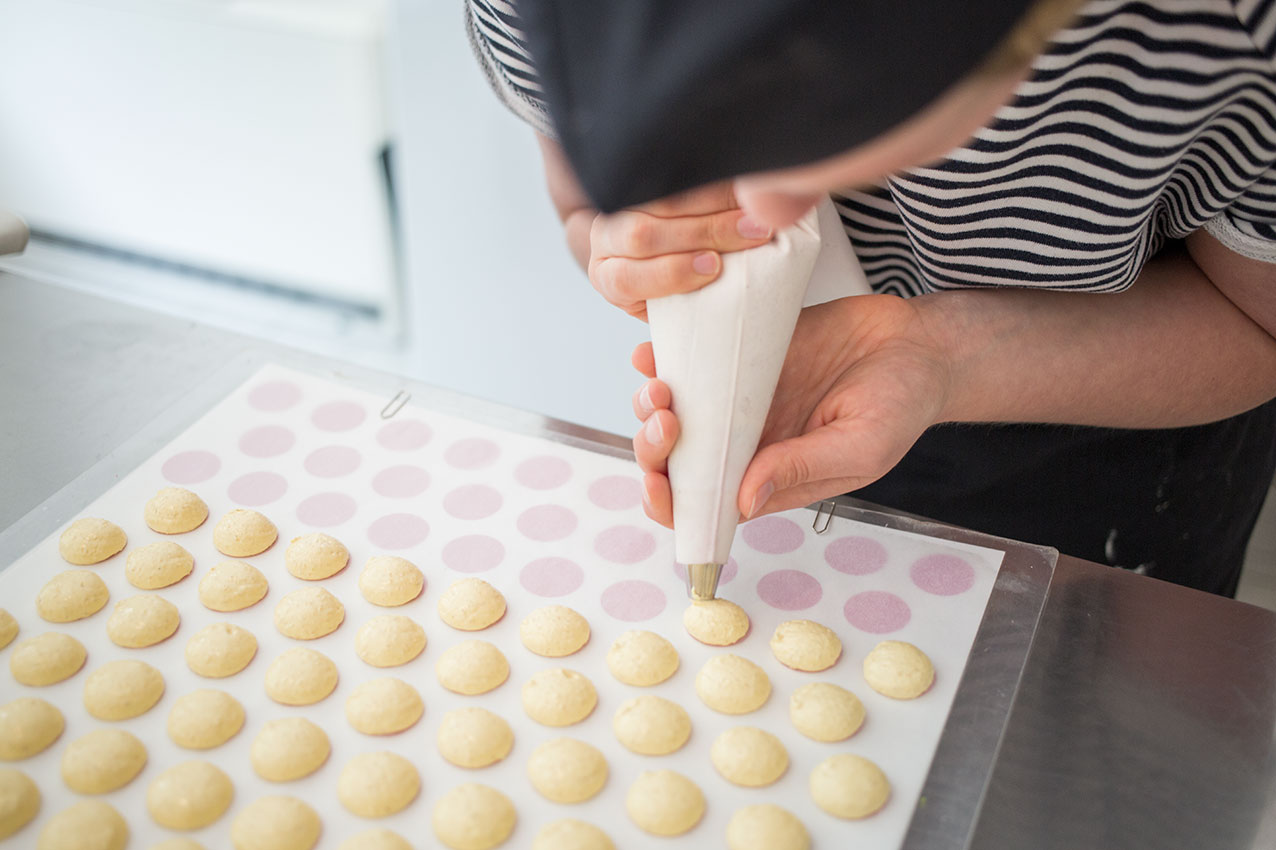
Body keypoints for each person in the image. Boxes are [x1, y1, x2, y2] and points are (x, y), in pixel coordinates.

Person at [467, 0, 1276, 596]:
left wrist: (944, 356)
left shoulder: (1230, 37)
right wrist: (620, 243)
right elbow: (580, 206)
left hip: (1127, 446)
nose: (771, 213)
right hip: (812, 410)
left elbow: (1256, 321)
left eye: (821, 149)